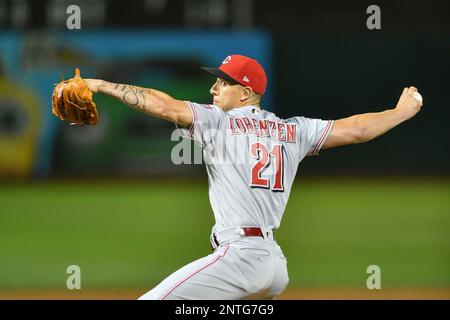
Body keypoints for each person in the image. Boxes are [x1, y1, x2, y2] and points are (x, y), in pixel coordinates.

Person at [83, 54, 423, 300]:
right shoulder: (294, 130)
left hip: (240, 257)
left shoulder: (219, 121)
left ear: (245, 93)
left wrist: (99, 84)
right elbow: (357, 129)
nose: (214, 89)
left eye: (224, 82)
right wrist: (400, 112)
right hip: (274, 266)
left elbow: (164, 105)